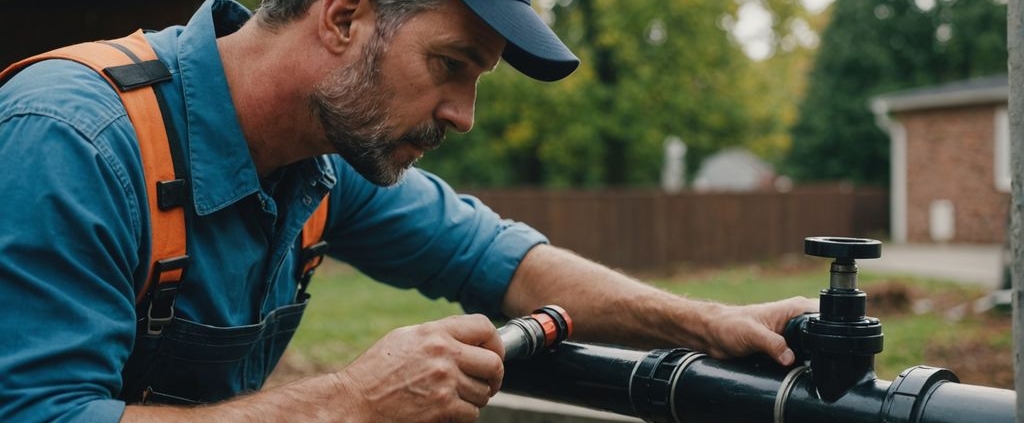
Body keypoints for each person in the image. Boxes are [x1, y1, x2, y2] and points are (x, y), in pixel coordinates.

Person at [0, 0, 815, 422]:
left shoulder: (323, 159)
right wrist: (349, 400)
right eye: (451, 65)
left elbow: (502, 261)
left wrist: (709, 322)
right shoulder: (74, 139)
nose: (463, 114)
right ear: (344, 17)